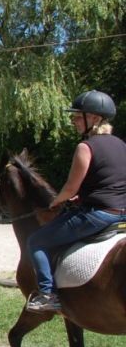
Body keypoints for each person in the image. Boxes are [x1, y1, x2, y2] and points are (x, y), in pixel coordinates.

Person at [25, 90, 126, 313]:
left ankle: (47, 294)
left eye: (79, 116)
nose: (74, 121)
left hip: (99, 215)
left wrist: (56, 202)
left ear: (95, 119)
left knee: (36, 242)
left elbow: (71, 186)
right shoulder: (121, 145)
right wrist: (85, 196)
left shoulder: (85, 147)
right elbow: (111, 180)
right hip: (123, 212)